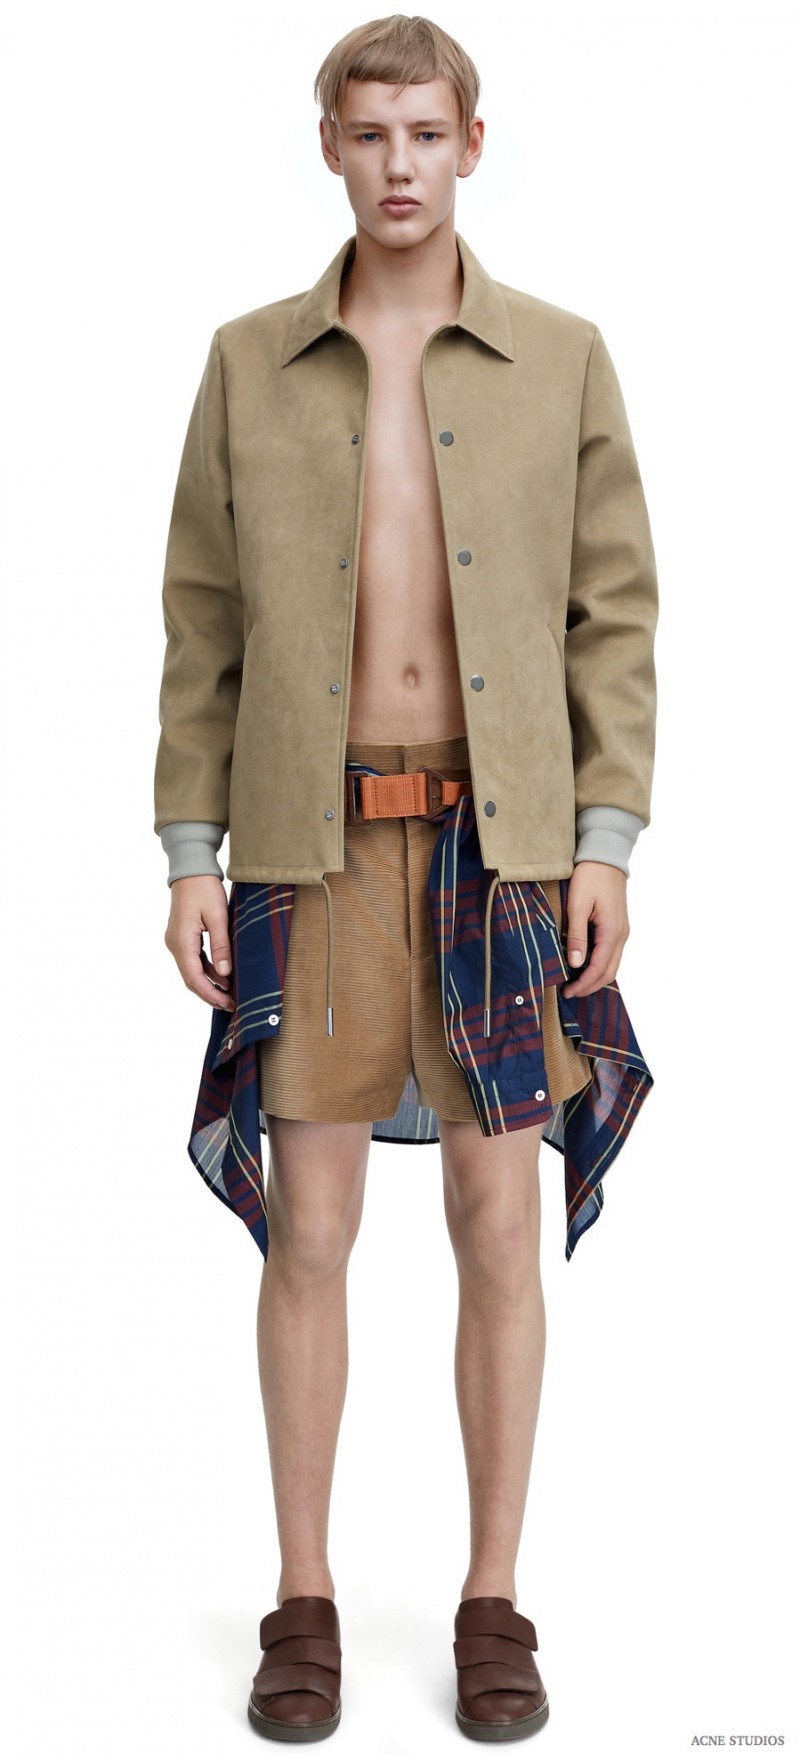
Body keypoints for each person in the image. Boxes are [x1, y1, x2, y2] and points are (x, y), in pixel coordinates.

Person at [153, 13, 658, 1743]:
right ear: (329, 146)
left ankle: (492, 1600)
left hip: (503, 843)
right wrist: (191, 851)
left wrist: (605, 840)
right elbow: (202, 622)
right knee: (310, 1226)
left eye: (425, 133)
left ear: (473, 144)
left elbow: (614, 616)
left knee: (498, 1223)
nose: (397, 163)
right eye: (368, 132)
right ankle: (302, 1600)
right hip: (308, 841)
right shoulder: (247, 361)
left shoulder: (563, 359)